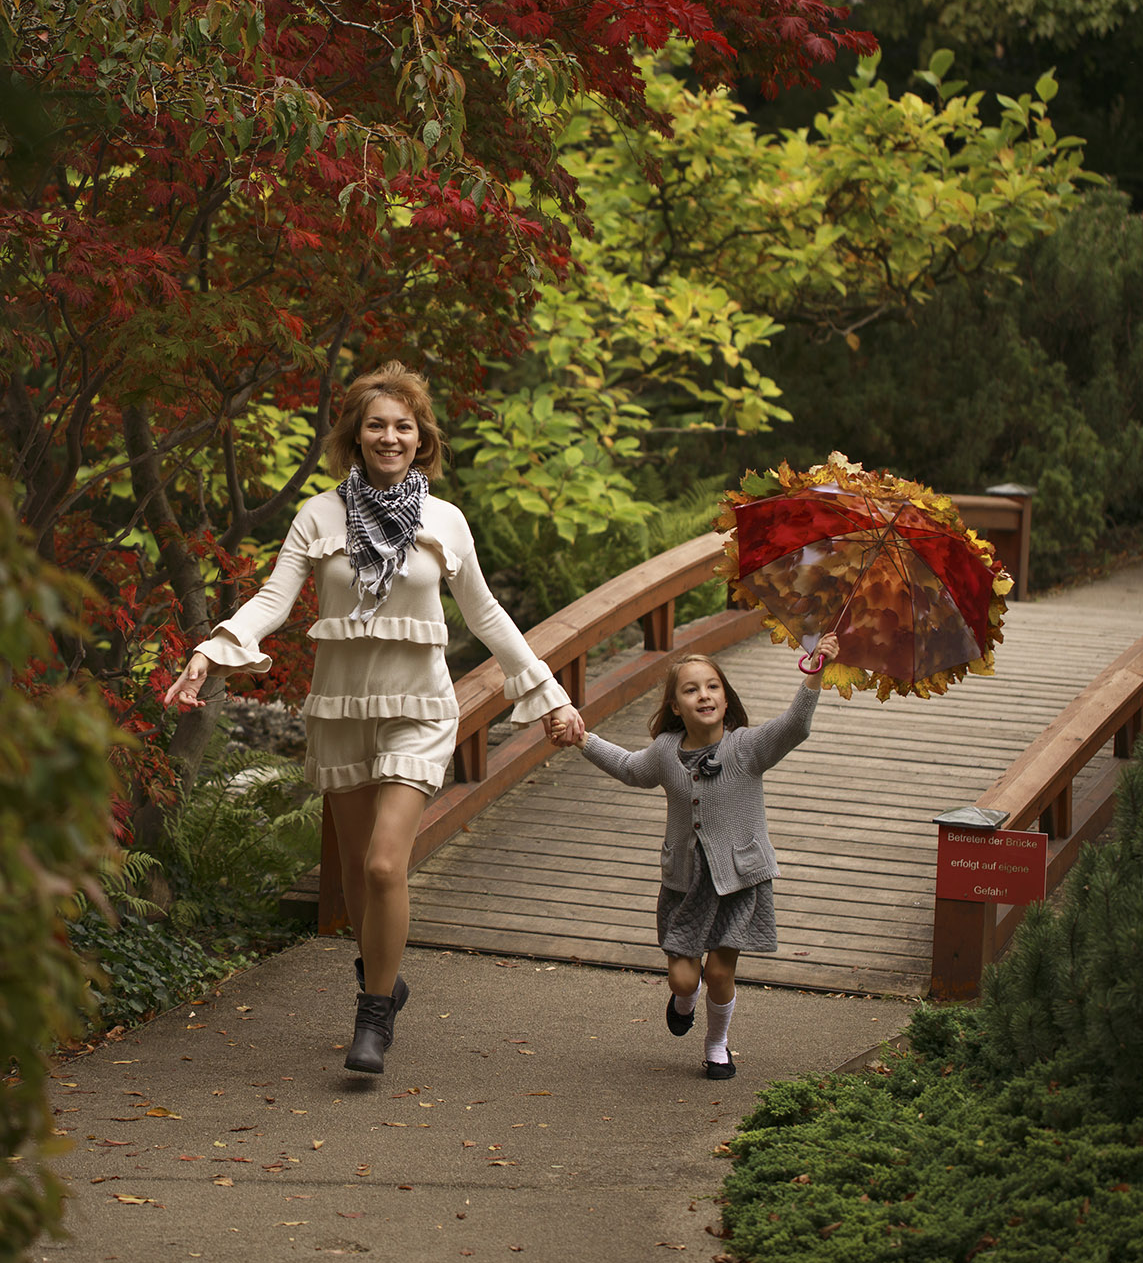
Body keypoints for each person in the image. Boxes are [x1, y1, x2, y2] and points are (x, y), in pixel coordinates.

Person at [160, 362, 584, 1075]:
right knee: (358, 867)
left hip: (419, 709)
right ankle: (381, 970)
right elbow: (273, 599)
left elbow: (484, 614)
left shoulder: (445, 520)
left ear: (422, 439)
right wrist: (212, 651)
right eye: (377, 424)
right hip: (341, 710)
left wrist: (548, 692)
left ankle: (373, 1014)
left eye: (404, 425)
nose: (391, 437)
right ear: (354, 437)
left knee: (387, 862)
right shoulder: (319, 517)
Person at [557, 634, 841, 1079]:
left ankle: (716, 1046)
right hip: (684, 881)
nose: (703, 695)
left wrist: (816, 669)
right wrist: (583, 740)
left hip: (739, 879)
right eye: (690, 690)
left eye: (712, 687)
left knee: (720, 974)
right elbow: (631, 769)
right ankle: (683, 1002)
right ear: (675, 705)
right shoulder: (666, 752)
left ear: (726, 699)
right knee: (684, 979)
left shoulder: (747, 747)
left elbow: (795, 726)